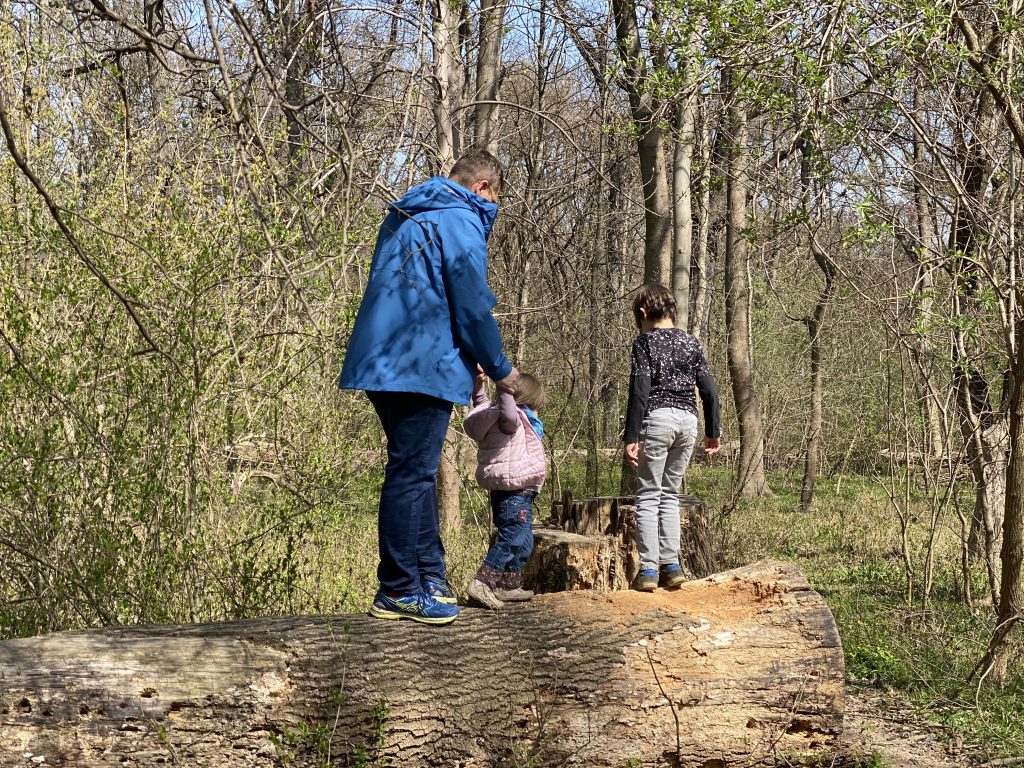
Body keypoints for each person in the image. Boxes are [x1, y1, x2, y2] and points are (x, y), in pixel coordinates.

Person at [339, 150, 519, 625]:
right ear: (482, 187)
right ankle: (398, 588)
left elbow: (424, 294)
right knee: (412, 472)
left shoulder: (409, 212)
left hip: (387, 360)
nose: (491, 208)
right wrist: (500, 368)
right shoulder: (459, 217)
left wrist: (465, 358)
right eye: (494, 198)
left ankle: (428, 576)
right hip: (420, 364)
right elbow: (472, 304)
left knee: (414, 469)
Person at [623, 284, 721, 592]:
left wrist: (631, 435)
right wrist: (713, 432)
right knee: (670, 493)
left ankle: (649, 570)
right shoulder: (691, 342)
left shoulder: (644, 343)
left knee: (649, 495)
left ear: (642, 314)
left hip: (658, 419)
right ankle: (672, 566)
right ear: (672, 312)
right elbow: (710, 390)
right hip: (688, 422)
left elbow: (640, 390)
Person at [463, 369, 547, 610]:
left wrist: (478, 388)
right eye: (535, 406)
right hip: (513, 493)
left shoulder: (492, 416)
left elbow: (480, 404)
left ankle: (508, 585)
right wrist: (503, 382)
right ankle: (483, 581)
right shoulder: (510, 420)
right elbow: (507, 408)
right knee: (513, 537)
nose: (536, 412)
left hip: (516, 492)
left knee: (524, 540)